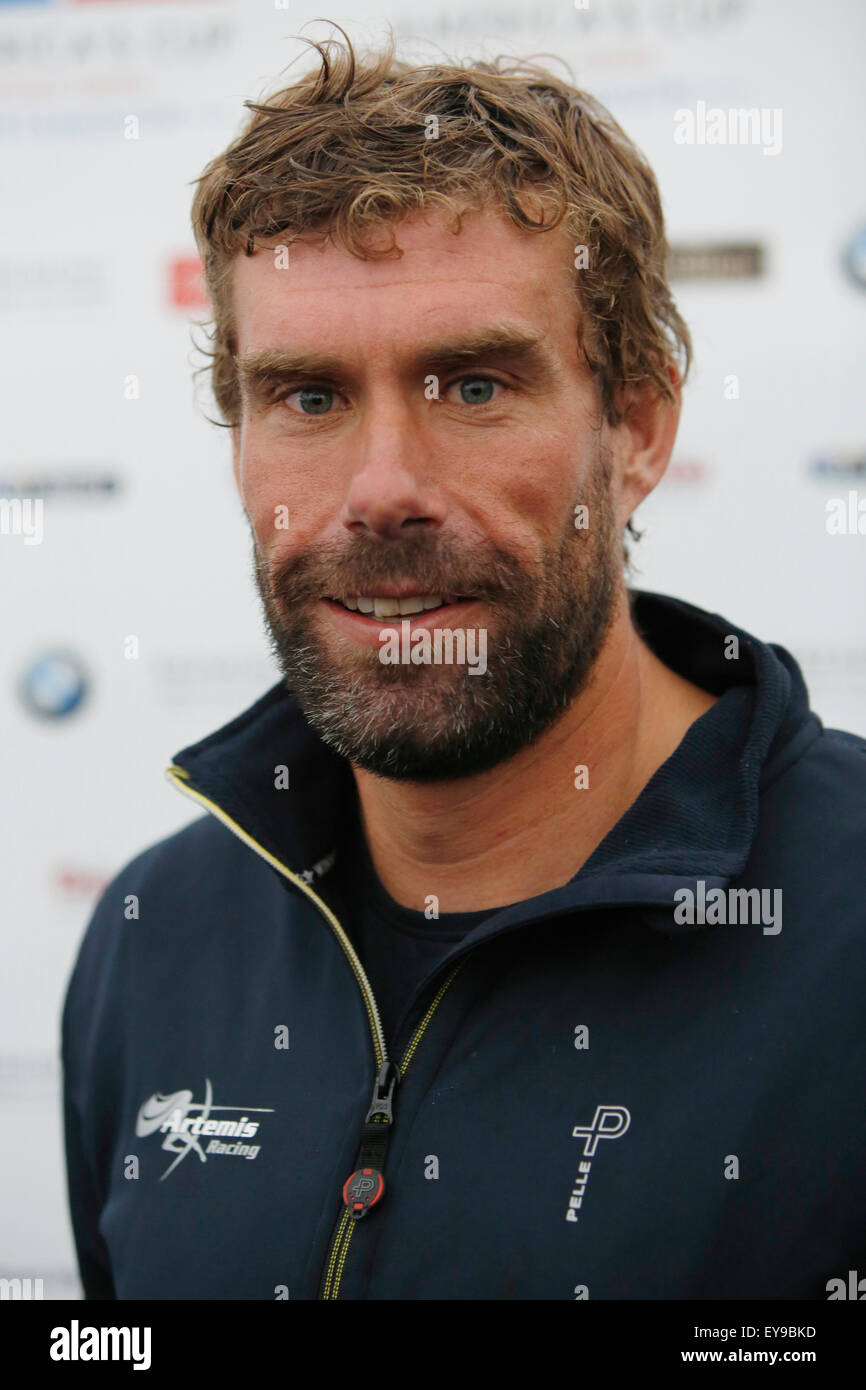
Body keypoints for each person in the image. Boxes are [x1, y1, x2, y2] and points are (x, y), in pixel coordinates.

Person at [61, 26, 866, 1301]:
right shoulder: (158, 940)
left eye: (473, 386)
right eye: (308, 398)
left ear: (638, 423)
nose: (382, 491)